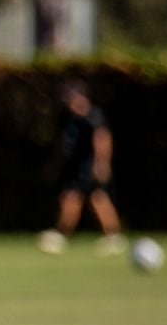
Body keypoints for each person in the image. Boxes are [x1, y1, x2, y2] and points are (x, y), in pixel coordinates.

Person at [37, 81, 125, 255]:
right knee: (93, 198)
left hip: (89, 167)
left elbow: (102, 139)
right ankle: (112, 236)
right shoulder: (71, 118)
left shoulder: (92, 117)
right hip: (78, 167)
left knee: (77, 197)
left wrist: (101, 163)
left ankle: (62, 235)